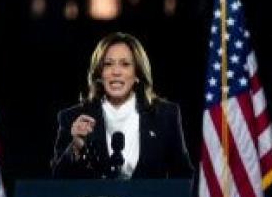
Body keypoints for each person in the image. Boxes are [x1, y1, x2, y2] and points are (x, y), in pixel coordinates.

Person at [51, 32, 193, 179]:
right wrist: (76, 146)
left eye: (125, 64)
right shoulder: (73, 117)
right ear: (100, 74)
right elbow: (58, 182)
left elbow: (183, 177)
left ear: (137, 73)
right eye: (108, 64)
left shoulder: (165, 115)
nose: (116, 72)